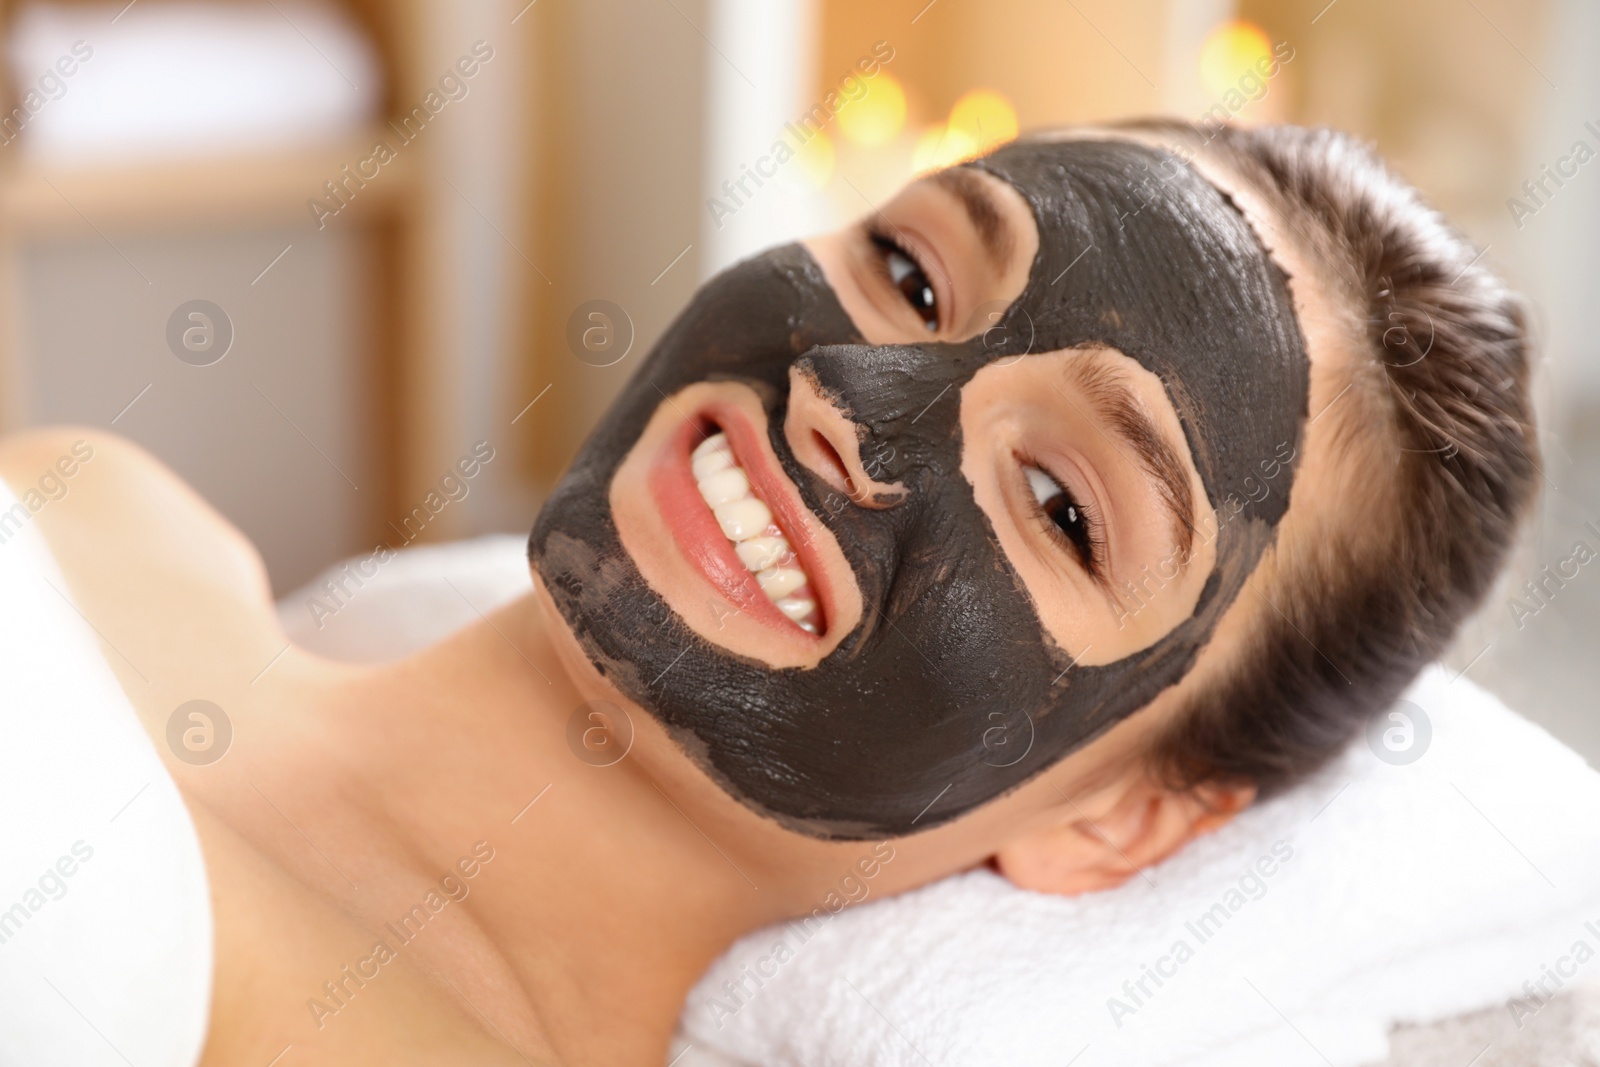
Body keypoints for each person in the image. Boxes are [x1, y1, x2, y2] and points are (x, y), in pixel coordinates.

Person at [0, 120, 1536, 1065]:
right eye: (916, 278)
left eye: (1064, 505)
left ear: (1121, 818)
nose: (854, 399)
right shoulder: (113, 518)